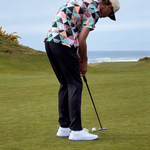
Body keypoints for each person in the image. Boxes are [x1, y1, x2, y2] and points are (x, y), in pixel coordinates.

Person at [44, 0, 120, 141]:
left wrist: (75, 51)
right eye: (110, 13)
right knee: (75, 84)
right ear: (108, 6)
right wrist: (84, 62)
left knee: (66, 83)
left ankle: (64, 127)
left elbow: (73, 28)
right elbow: (82, 38)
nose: (105, 17)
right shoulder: (94, 11)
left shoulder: (85, 2)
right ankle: (76, 131)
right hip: (63, 41)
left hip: (50, 42)